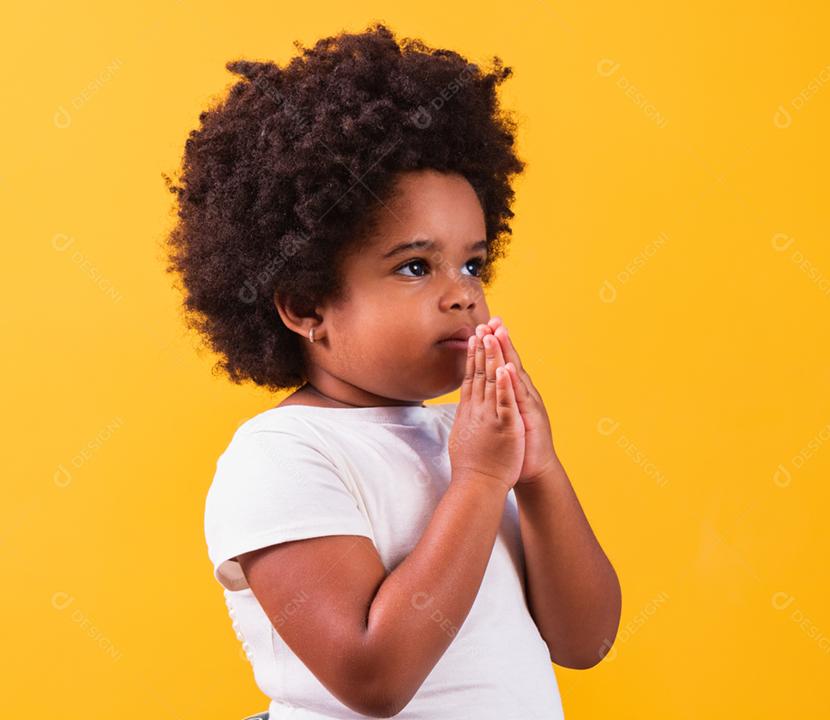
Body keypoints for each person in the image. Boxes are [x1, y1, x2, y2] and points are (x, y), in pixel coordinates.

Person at [162, 22, 621, 720]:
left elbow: (586, 640)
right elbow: (374, 678)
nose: (463, 292)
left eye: (472, 264)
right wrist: (476, 481)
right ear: (306, 304)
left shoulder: (464, 437)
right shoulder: (281, 456)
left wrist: (540, 470)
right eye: (415, 266)